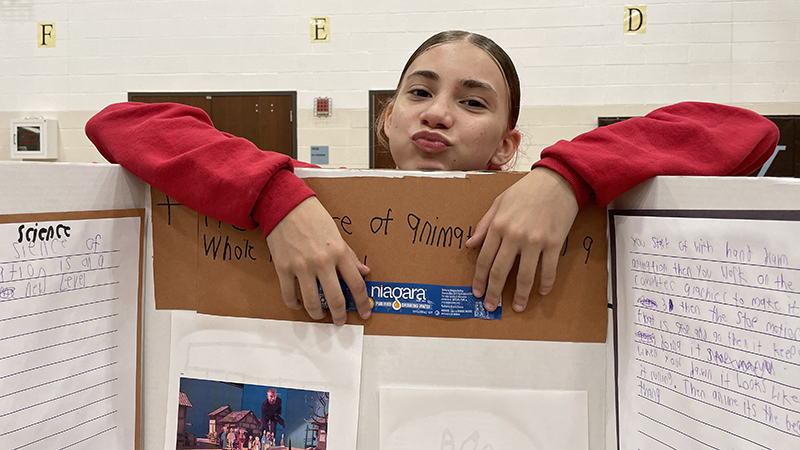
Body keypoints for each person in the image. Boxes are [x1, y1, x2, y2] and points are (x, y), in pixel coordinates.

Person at [85, 30, 779, 324]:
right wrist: (273, 196)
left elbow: (746, 132)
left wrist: (567, 177)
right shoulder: (306, 195)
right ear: (386, 120)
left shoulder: (559, 194)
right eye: (420, 93)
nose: (440, 113)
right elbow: (124, 124)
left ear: (507, 144)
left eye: (473, 102)